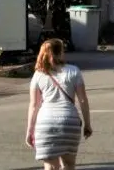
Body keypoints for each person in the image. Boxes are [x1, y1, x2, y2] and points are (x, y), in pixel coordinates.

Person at [24, 38, 91, 170]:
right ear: (60, 52)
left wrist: (30, 130)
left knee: (50, 166)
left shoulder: (38, 75)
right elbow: (83, 100)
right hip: (69, 122)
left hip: (46, 123)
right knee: (69, 165)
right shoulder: (74, 71)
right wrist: (87, 124)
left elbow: (34, 105)